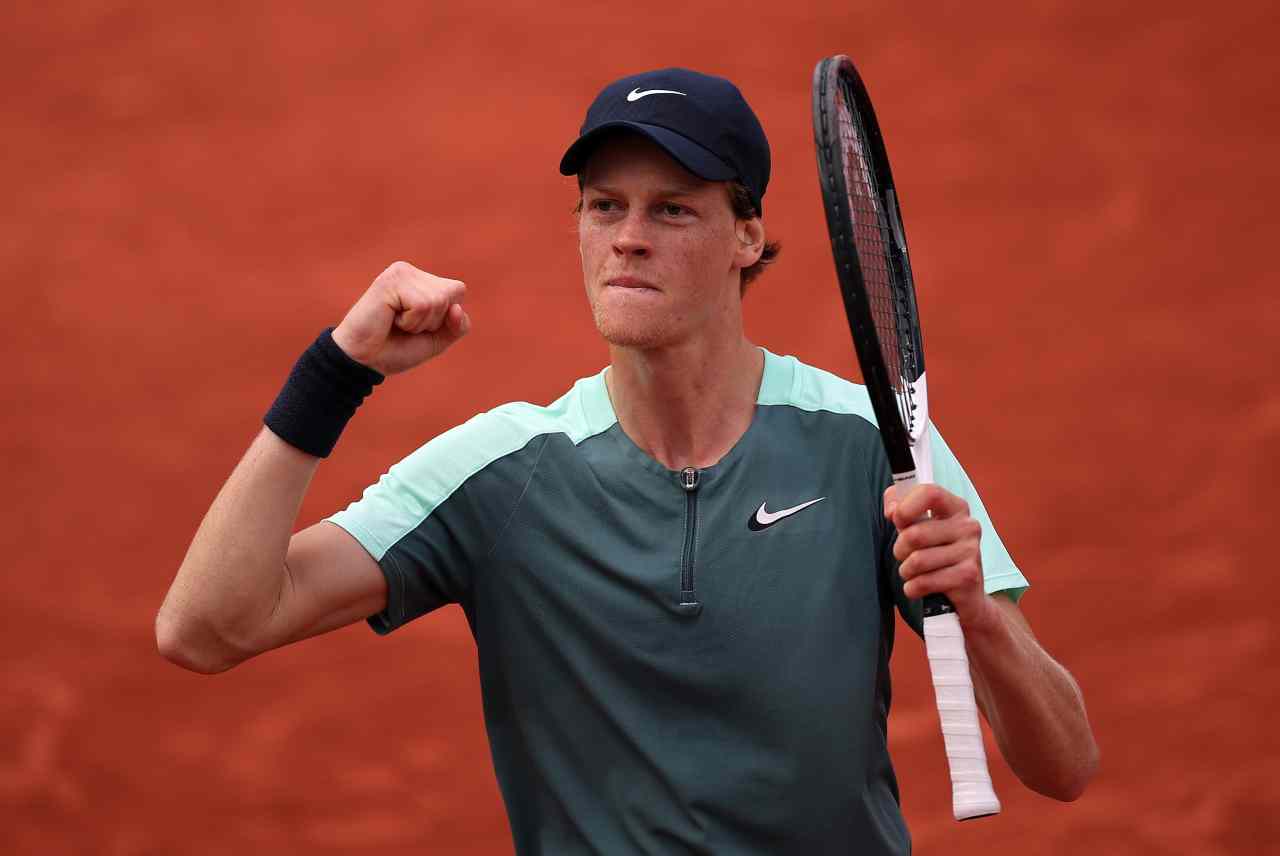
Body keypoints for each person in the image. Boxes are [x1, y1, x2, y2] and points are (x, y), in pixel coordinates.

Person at [157, 68, 1098, 854]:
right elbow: (206, 629)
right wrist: (335, 374)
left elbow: (1064, 765)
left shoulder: (873, 445)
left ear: (746, 238)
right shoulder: (501, 473)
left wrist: (981, 616)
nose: (628, 236)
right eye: (604, 206)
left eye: (672, 210)